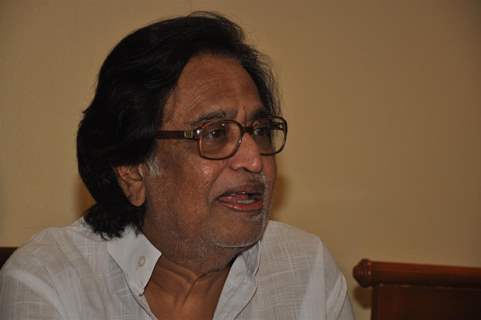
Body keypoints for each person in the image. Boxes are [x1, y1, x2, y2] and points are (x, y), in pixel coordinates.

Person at [0, 12, 354, 320]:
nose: (253, 159)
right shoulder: (50, 281)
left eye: (260, 131)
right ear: (132, 170)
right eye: (215, 133)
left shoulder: (306, 271)